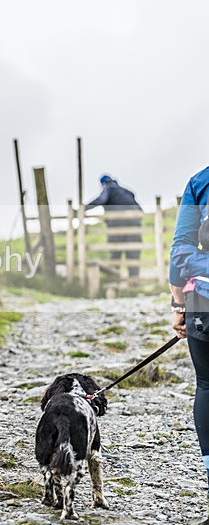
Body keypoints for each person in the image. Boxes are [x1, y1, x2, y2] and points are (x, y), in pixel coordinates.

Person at [170, 165, 209, 525]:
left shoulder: (201, 181)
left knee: (208, 385)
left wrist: (179, 306)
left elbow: (180, 247)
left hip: (204, 301)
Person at [86, 175, 143, 277]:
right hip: (134, 224)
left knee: (115, 252)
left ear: (103, 184)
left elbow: (101, 200)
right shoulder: (127, 192)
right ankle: (134, 282)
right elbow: (140, 211)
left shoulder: (108, 188)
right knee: (133, 253)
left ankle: (114, 279)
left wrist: (83, 208)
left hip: (117, 225)